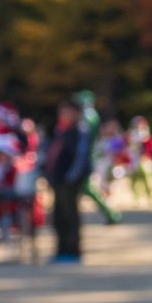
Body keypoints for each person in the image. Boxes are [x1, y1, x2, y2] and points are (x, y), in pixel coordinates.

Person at [44, 99, 91, 264]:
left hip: (69, 183)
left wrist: (69, 179)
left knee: (69, 216)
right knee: (58, 217)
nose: (63, 115)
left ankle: (72, 251)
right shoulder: (62, 131)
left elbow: (80, 159)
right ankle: (61, 250)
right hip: (58, 182)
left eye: (67, 111)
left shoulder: (80, 131)